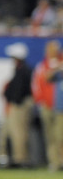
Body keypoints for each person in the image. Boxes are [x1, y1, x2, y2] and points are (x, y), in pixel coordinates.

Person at [0, 42, 34, 168]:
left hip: (20, 105)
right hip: (18, 104)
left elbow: (19, 90)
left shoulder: (23, 70)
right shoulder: (21, 69)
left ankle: (20, 159)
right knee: (15, 132)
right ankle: (18, 158)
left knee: (19, 132)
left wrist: (13, 100)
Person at [32, 40, 62, 171]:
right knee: (50, 136)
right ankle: (54, 162)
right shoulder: (42, 66)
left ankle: (61, 161)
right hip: (47, 105)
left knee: (60, 135)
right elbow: (43, 80)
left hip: (60, 107)